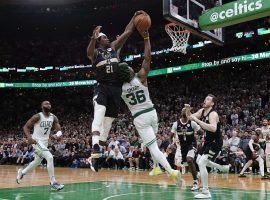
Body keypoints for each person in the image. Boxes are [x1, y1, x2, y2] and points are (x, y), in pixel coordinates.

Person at [120, 28, 181, 185]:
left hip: (140, 118)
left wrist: (118, 48)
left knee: (153, 148)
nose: (131, 67)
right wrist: (146, 38)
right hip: (152, 113)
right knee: (152, 144)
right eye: (128, 67)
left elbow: (115, 69)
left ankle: (171, 171)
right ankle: (156, 167)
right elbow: (147, 58)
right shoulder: (140, 77)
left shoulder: (118, 88)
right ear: (128, 71)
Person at [86, 10, 144, 171]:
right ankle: (95, 147)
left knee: (107, 124)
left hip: (116, 89)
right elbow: (88, 52)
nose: (107, 38)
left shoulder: (113, 48)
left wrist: (133, 18)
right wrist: (93, 36)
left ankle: (94, 156)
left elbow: (127, 32)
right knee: (99, 112)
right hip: (102, 87)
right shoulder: (96, 52)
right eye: (103, 37)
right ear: (98, 41)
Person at [185, 95, 230, 199]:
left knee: (201, 163)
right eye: (205, 98)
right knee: (198, 160)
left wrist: (199, 122)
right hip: (208, 141)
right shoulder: (202, 111)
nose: (205, 100)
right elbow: (190, 117)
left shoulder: (213, 114)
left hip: (215, 142)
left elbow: (213, 128)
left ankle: (206, 192)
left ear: (212, 103)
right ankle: (222, 168)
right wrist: (187, 110)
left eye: (208, 99)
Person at [16, 101, 64, 191]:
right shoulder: (37, 116)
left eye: (49, 103)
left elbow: (60, 131)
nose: (48, 105)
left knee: (37, 162)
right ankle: (53, 182)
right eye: (46, 104)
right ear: (42, 106)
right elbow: (25, 127)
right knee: (49, 157)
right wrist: (29, 137)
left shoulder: (53, 117)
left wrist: (56, 135)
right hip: (36, 141)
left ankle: (22, 173)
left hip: (45, 142)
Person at [171, 108, 203, 191]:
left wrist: (197, 132)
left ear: (188, 113)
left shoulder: (192, 123)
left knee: (189, 159)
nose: (184, 111)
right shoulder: (176, 124)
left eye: (186, 110)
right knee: (187, 168)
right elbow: (171, 135)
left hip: (192, 145)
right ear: (181, 113)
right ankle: (197, 175)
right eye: (183, 110)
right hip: (183, 147)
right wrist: (172, 144)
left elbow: (201, 132)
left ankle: (195, 182)